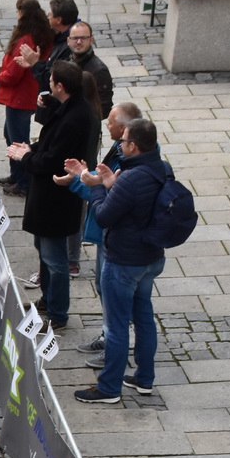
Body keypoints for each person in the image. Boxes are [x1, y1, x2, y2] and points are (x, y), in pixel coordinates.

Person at [77, 117, 170, 404]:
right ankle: (144, 379)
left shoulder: (131, 178)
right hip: (150, 258)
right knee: (143, 317)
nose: (120, 145)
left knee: (116, 325)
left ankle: (109, 387)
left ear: (135, 146)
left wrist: (97, 187)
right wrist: (110, 182)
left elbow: (104, 216)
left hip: (124, 262)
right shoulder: (162, 168)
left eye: (124, 141)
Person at [7, 61, 98, 333]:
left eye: (51, 82)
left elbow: (53, 160)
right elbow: (49, 141)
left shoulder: (75, 118)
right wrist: (33, 147)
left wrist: (26, 156)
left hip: (56, 200)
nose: (47, 85)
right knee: (44, 253)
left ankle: (58, 313)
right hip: (48, 198)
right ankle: (47, 300)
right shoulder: (69, 108)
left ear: (60, 86)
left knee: (55, 260)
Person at [0, 0, 50, 197]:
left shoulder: (25, 39)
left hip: (19, 97)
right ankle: (16, 175)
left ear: (21, 13)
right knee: (11, 134)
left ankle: (24, 181)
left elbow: (14, 74)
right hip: (25, 95)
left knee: (17, 139)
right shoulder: (39, 33)